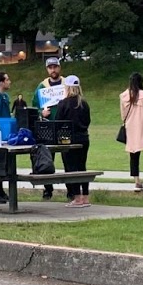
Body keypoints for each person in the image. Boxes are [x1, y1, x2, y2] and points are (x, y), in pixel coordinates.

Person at [54, 75, 92, 207]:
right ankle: (86, 196)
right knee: (82, 166)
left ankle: (77, 197)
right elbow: (87, 121)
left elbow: (58, 122)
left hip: (68, 139)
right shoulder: (84, 103)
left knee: (71, 168)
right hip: (83, 137)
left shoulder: (63, 103)